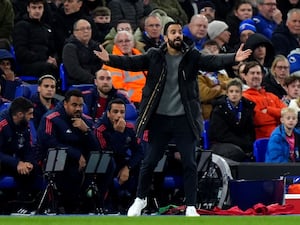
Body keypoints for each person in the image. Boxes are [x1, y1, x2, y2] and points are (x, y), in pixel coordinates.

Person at [94, 21, 252, 216]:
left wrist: (233, 58)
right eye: (173, 32)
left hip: (183, 119)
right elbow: (132, 63)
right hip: (159, 119)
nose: (177, 35)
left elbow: (211, 61)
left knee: (189, 163)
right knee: (149, 161)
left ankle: (191, 206)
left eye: (179, 32)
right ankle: (140, 200)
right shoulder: (154, 55)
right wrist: (109, 58)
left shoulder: (191, 56)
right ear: (166, 37)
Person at [37, 89, 100, 213]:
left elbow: (96, 148)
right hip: (53, 159)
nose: (78, 109)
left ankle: (96, 207)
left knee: (105, 164)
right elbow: (50, 144)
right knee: (67, 166)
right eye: (74, 105)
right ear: (65, 104)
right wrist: (77, 155)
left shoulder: (85, 121)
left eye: (81, 105)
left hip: (81, 162)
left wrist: (86, 131)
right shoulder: (51, 118)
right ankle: (65, 207)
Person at [94, 98, 144, 213]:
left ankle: (136, 204)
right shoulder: (100, 129)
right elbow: (107, 153)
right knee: (109, 163)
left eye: (122, 112)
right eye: (115, 112)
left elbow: (139, 151)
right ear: (108, 113)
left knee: (142, 166)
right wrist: (118, 133)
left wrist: (128, 167)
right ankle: (107, 205)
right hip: (104, 164)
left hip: (122, 163)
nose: (119, 116)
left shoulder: (130, 127)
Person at [0, 97, 41, 214]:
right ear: (19, 114)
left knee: (32, 168)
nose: (32, 117)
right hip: (3, 161)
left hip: (13, 160)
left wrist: (29, 163)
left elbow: (27, 149)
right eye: (29, 114)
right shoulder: (2, 124)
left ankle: (22, 206)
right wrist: (16, 163)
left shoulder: (25, 125)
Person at [209, 78, 255, 162]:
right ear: (227, 93)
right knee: (236, 152)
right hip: (221, 143)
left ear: (241, 94)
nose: (234, 94)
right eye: (231, 91)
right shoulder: (219, 109)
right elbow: (220, 134)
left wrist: (247, 143)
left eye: (237, 91)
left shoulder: (247, 108)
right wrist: (242, 143)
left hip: (241, 143)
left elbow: (250, 130)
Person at [12, 0, 58, 78]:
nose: (37, 11)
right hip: (27, 65)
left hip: (44, 63)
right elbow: (21, 53)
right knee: (49, 67)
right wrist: (44, 59)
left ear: (43, 9)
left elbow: (52, 49)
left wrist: (54, 59)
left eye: (40, 8)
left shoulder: (46, 28)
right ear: (28, 8)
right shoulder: (21, 26)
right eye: (34, 7)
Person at [242, 61, 286, 139]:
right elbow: (259, 120)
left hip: (282, 136)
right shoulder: (244, 97)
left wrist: (269, 110)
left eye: (258, 73)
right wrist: (278, 115)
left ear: (262, 76)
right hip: (262, 139)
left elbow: (287, 114)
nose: (256, 76)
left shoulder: (272, 96)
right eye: (252, 73)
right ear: (245, 76)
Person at [102, 31, 146, 107]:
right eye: (120, 41)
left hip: (147, 97)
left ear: (133, 43)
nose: (124, 44)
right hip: (130, 102)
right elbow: (118, 88)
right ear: (116, 44)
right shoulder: (111, 63)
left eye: (127, 41)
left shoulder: (141, 58)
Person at [62, 19, 103, 86]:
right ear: (75, 32)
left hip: (98, 82)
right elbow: (74, 70)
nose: (86, 31)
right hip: (78, 83)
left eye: (88, 28)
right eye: (82, 29)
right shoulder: (69, 48)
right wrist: (94, 80)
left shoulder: (96, 46)